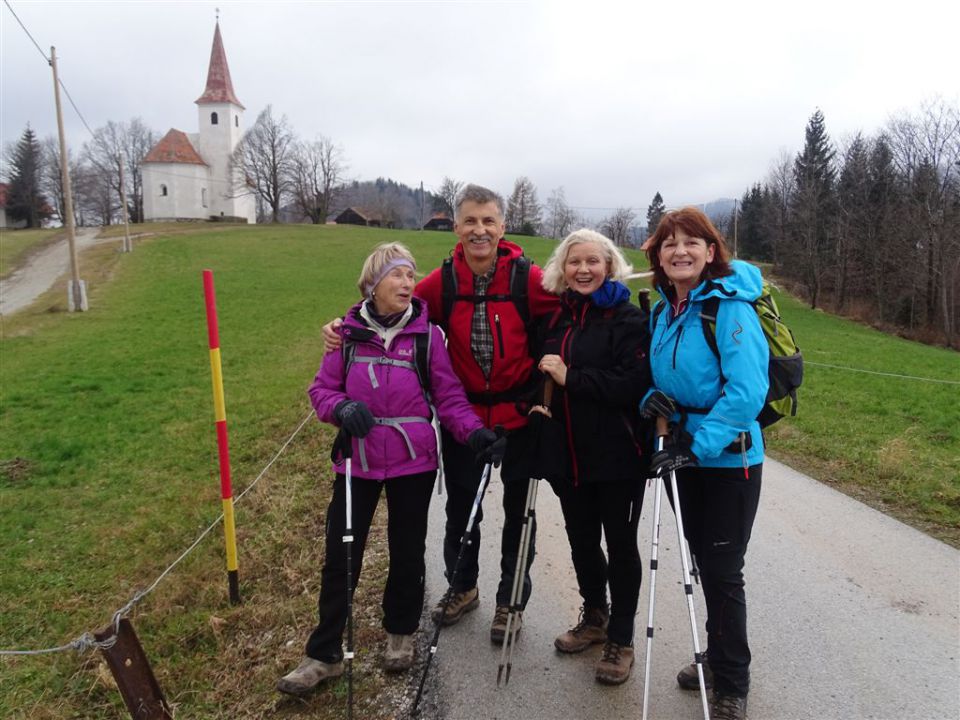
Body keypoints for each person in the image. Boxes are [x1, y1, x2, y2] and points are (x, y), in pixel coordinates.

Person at [322, 185, 558, 644]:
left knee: (518, 515)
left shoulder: (528, 280)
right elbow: (385, 303)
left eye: (488, 221)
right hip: (463, 417)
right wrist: (339, 327)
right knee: (461, 509)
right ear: (456, 227)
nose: (480, 230)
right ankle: (462, 586)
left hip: (519, 417)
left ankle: (511, 601)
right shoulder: (442, 282)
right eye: (470, 221)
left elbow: (573, 307)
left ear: (502, 227)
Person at [277, 242, 503, 696]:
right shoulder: (345, 335)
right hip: (356, 462)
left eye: (410, 274)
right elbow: (320, 391)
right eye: (396, 275)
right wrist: (341, 408)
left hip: (412, 462)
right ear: (372, 284)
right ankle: (323, 655)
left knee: (406, 552)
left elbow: (449, 397)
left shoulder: (426, 337)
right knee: (341, 557)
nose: (406, 283)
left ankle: (400, 634)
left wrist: (475, 433)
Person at [640, 207, 767, 720]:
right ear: (658, 257)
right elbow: (664, 379)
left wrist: (698, 445)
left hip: (728, 459)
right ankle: (715, 657)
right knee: (701, 561)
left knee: (722, 569)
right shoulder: (663, 312)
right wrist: (650, 398)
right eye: (669, 244)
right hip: (683, 456)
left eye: (692, 242)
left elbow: (747, 393)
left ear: (711, 252)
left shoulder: (729, 309)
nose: (680, 251)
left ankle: (732, 680)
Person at [534, 229, 651, 685]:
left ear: (609, 266)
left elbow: (631, 384)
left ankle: (621, 639)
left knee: (620, 546)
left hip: (618, 455)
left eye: (592, 262)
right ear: (562, 269)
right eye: (574, 262)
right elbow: (541, 371)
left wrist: (571, 377)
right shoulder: (558, 319)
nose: (583, 270)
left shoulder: (627, 319)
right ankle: (595, 618)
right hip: (569, 455)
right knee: (582, 540)